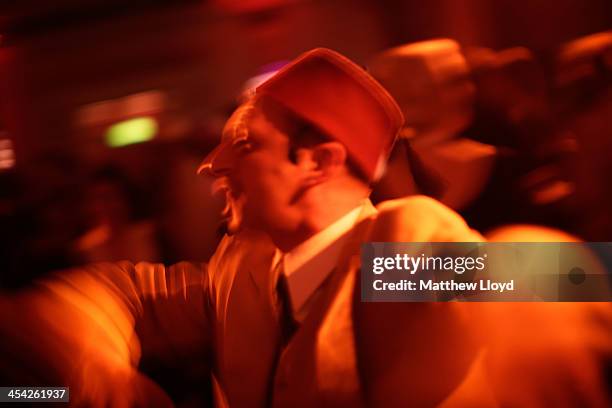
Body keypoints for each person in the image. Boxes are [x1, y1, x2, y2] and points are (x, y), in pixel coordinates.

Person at [0, 48, 609, 407]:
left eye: (242, 143)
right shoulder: (243, 271)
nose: (212, 163)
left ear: (316, 163)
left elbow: (557, 276)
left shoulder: (394, 259)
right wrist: (85, 380)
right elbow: (109, 297)